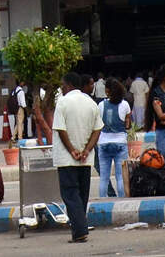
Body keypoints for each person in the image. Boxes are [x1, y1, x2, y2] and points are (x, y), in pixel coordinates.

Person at [53, 71, 104, 244]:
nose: (61, 88)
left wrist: (72, 150)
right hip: (85, 159)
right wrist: (87, 149)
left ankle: (80, 230)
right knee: (82, 194)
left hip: (67, 159)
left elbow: (61, 129)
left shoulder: (63, 102)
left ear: (68, 85)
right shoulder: (90, 103)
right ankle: (79, 229)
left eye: (62, 85)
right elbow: (98, 129)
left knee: (70, 194)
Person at [96, 78, 130, 198]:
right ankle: (121, 200)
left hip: (103, 142)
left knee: (104, 177)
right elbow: (127, 124)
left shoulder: (101, 105)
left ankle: (102, 200)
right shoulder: (125, 104)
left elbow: (98, 123)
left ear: (107, 91)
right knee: (120, 176)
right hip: (120, 141)